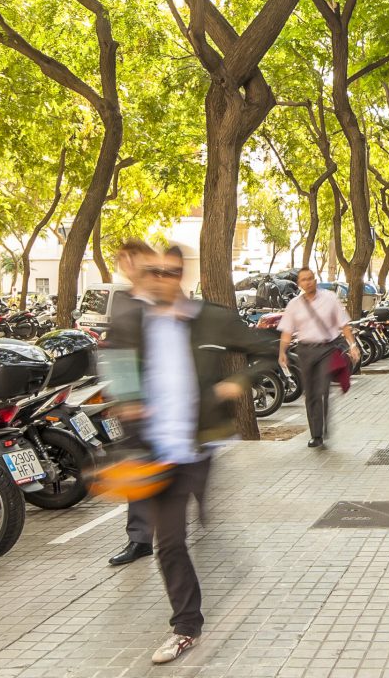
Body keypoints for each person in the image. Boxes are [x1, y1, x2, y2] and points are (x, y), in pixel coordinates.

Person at [135, 243, 277, 666]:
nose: (163, 278)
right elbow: (119, 365)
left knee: (174, 535)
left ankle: (185, 625)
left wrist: (239, 381)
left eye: (171, 271)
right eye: (155, 271)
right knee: (169, 543)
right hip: (155, 446)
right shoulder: (137, 323)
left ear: (181, 275)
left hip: (196, 444)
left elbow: (265, 350)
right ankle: (186, 626)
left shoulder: (211, 317)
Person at [105, 236, 157, 568]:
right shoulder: (123, 299)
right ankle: (140, 538)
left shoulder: (159, 299)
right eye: (121, 258)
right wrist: (122, 396)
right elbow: (117, 350)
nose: (125, 263)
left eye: (130, 257)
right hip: (134, 401)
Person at [277, 266, 358, 449]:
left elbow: (343, 324)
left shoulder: (329, 299)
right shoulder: (294, 305)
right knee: (311, 393)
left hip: (327, 349)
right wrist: (282, 352)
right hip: (305, 351)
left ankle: (323, 426)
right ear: (299, 284)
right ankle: (316, 434)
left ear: (315, 280)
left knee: (322, 389)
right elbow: (287, 331)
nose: (308, 282)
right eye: (304, 279)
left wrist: (352, 345)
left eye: (310, 278)